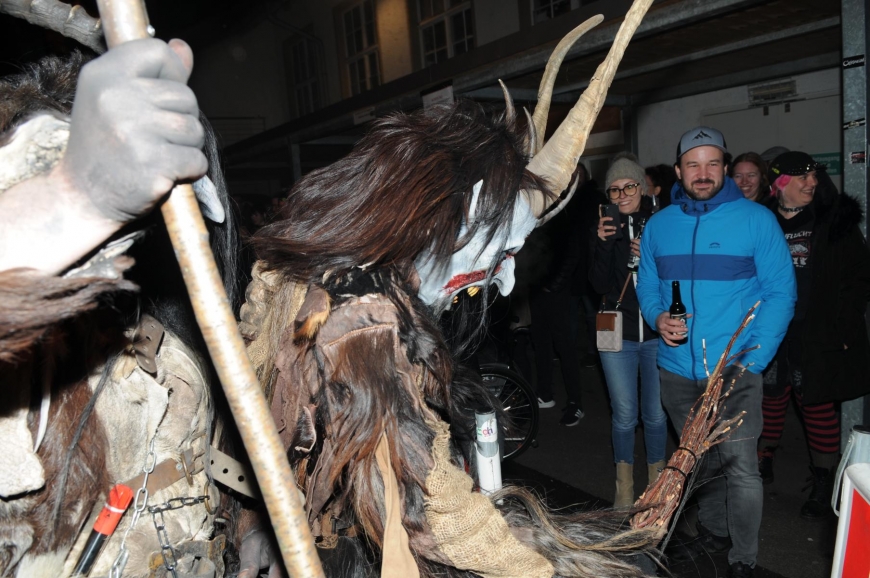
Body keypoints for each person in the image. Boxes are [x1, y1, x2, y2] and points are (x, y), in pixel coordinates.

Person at [636, 126, 796, 578]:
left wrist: (752, 360)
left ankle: (743, 558)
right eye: (693, 164)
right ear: (678, 169)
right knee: (697, 462)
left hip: (736, 368)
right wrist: (655, 316)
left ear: (724, 167)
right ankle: (711, 531)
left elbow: (781, 293)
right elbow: (647, 281)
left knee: (741, 467)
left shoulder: (755, 220)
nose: (702, 173)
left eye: (712, 163)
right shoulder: (660, 224)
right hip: (676, 371)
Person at [757, 151, 870, 518]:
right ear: (779, 185)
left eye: (813, 176)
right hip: (772, 332)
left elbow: (858, 277)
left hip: (816, 333)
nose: (812, 183)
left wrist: (845, 327)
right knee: (768, 401)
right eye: (801, 178)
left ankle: (824, 481)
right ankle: (761, 463)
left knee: (818, 405)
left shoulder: (832, 220)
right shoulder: (760, 221)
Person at [590, 153, 667, 508]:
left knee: (654, 414)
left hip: (655, 331)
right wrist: (605, 245)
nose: (621, 195)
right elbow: (597, 283)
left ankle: (656, 481)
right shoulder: (604, 224)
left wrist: (651, 253)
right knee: (624, 415)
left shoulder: (664, 219)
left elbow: (677, 280)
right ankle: (623, 487)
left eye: (629, 186)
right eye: (614, 189)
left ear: (643, 186)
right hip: (613, 328)